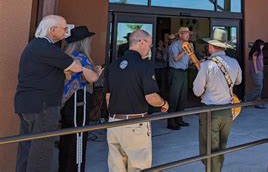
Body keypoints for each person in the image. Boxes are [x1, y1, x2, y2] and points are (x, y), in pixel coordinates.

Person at [15, 15, 83, 172]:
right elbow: (76, 66)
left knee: (27, 148)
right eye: (64, 28)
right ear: (52, 30)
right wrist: (72, 66)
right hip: (43, 106)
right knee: (41, 152)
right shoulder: (46, 48)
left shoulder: (35, 46)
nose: (66, 32)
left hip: (27, 104)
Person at [105, 29, 169, 172]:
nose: (150, 48)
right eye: (150, 45)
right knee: (139, 167)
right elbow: (151, 97)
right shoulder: (144, 65)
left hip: (113, 123)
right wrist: (164, 103)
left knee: (116, 168)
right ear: (141, 42)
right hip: (135, 123)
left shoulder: (113, 65)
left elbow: (108, 97)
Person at [193, 28, 242, 172]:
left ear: (211, 46)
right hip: (227, 110)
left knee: (208, 148)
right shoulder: (234, 62)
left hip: (210, 111)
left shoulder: (207, 65)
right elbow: (238, 81)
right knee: (221, 146)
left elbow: (197, 91)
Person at [59, 26, 103, 172]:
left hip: (67, 102)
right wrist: (96, 72)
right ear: (83, 42)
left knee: (66, 137)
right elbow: (91, 78)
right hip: (80, 101)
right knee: (78, 137)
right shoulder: (80, 58)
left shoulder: (66, 55)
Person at [167, 27, 191, 130]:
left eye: (188, 34)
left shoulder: (190, 45)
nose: (188, 35)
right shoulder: (174, 45)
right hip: (175, 72)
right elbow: (176, 59)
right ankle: (171, 122)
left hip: (184, 72)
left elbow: (189, 60)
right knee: (174, 98)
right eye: (185, 33)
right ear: (180, 35)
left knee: (182, 97)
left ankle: (179, 119)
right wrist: (185, 50)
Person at [244, 39, 265, 108]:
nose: (263, 46)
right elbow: (254, 61)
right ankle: (247, 98)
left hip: (260, 71)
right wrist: (256, 70)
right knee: (259, 87)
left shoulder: (260, 52)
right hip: (257, 72)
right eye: (262, 44)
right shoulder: (256, 52)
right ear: (259, 45)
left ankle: (257, 102)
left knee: (260, 87)